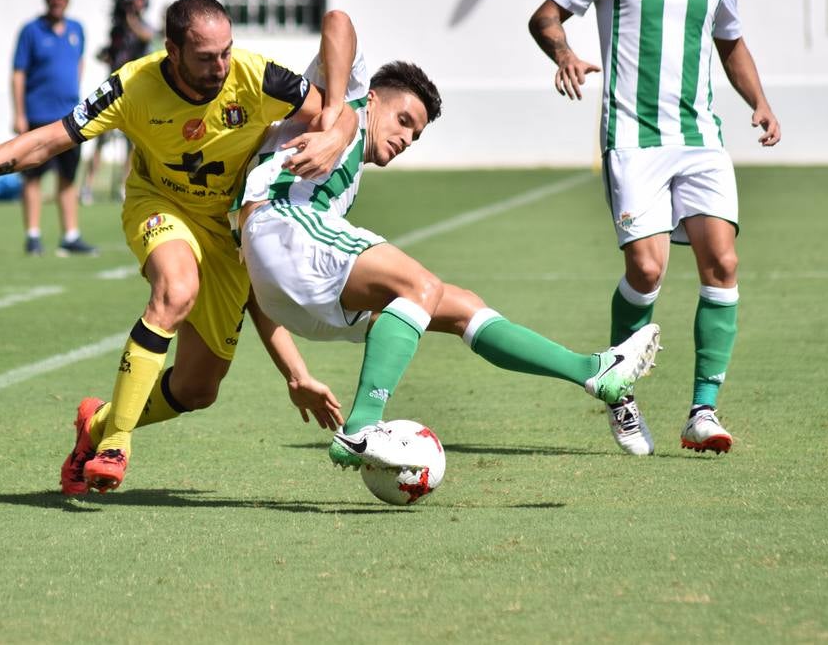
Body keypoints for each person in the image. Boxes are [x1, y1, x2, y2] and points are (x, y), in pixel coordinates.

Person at [0, 0, 357, 494]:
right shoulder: (132, 86)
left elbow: (338, 113)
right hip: (159, 205)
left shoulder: (257, 77)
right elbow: (47, 140)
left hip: (224, 225)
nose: (220, 67)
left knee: (197, 389)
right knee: (176, 290)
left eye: (226, 52)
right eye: (205, 57)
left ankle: (98, 423)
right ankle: (116, 443)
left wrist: (335, 138)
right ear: (171, 50)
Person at [232, 40, 662, 468]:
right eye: (403, 120)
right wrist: (335, 113)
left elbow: (259, 285)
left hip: (286, 290)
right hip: (282, 224)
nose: (406, 138)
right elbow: (339, 22)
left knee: (461, 307)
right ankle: (361, 426)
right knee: (420, 287)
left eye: (415, 135)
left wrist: (297, 374)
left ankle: (591, 371)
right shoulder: (348, 99)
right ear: (374, 98)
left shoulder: (343, 186)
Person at [527, 0, 782, 456]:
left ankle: (703, 413)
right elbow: (545, 18)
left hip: (701, 140)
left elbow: (731, 43)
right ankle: (620, 395)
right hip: (634, 138)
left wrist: (761, 102)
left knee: (722, 264)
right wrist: (563, 53)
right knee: (647, 270)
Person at [11, 0, 96, 256]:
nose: (58, 1)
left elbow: (79, 61)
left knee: (68, 177)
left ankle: (70, 235)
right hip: (38, 115)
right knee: (33, 177)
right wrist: (19, 113)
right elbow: (18, 73)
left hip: (70, 117)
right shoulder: (31, 31)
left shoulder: (76, 29)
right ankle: (32, 235)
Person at [80, 0, 155, 203]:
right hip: (112, 87)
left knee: (131, 143)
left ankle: (124, 184)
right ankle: (87, 186)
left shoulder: (142, 26)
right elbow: (107, 53)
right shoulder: (118, 30)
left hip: (134, 90)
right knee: (99, 139)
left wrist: (131, 18)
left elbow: (146, 35)